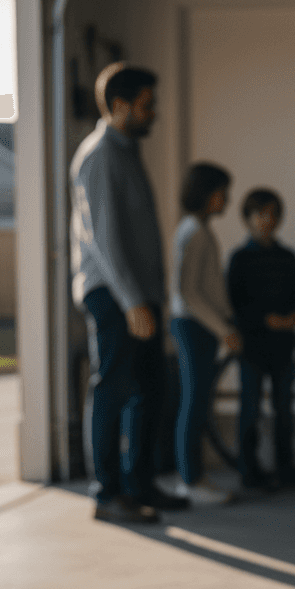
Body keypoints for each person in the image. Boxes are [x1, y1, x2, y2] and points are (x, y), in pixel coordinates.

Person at [70, 62, 189, 523]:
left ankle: (140, 485)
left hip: (139, 295)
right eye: (146, 105)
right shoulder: (100, 155)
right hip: (114, 294)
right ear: (120, 105)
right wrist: (132, 300)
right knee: (113, 389)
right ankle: (107, 494)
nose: (153, 112)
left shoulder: (127, 151)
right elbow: (104, 238)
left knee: (150, 390)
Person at [169, 162, 243, 504]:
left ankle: (193, 478)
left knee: (197, 402)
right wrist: (223, 329)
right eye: (222, 192)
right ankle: (190, 481)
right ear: (207, 194)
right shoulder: (195, 232)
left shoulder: (195, 229)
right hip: (194, 326)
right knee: (194, 403)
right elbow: (189, 293)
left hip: (198, 326)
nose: (226, 199)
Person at [227, 189, 295, 489]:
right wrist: (265, 319)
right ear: (247, 218)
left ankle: (286, 467)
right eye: (260, 214)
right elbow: (235, 303)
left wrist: (294, 315)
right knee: (251, 408)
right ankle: (249, 470)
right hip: (252, 344)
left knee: (285, 409)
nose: (267, 220)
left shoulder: (288, 257)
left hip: (284, 344)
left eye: (273, 214)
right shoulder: (240, 258)